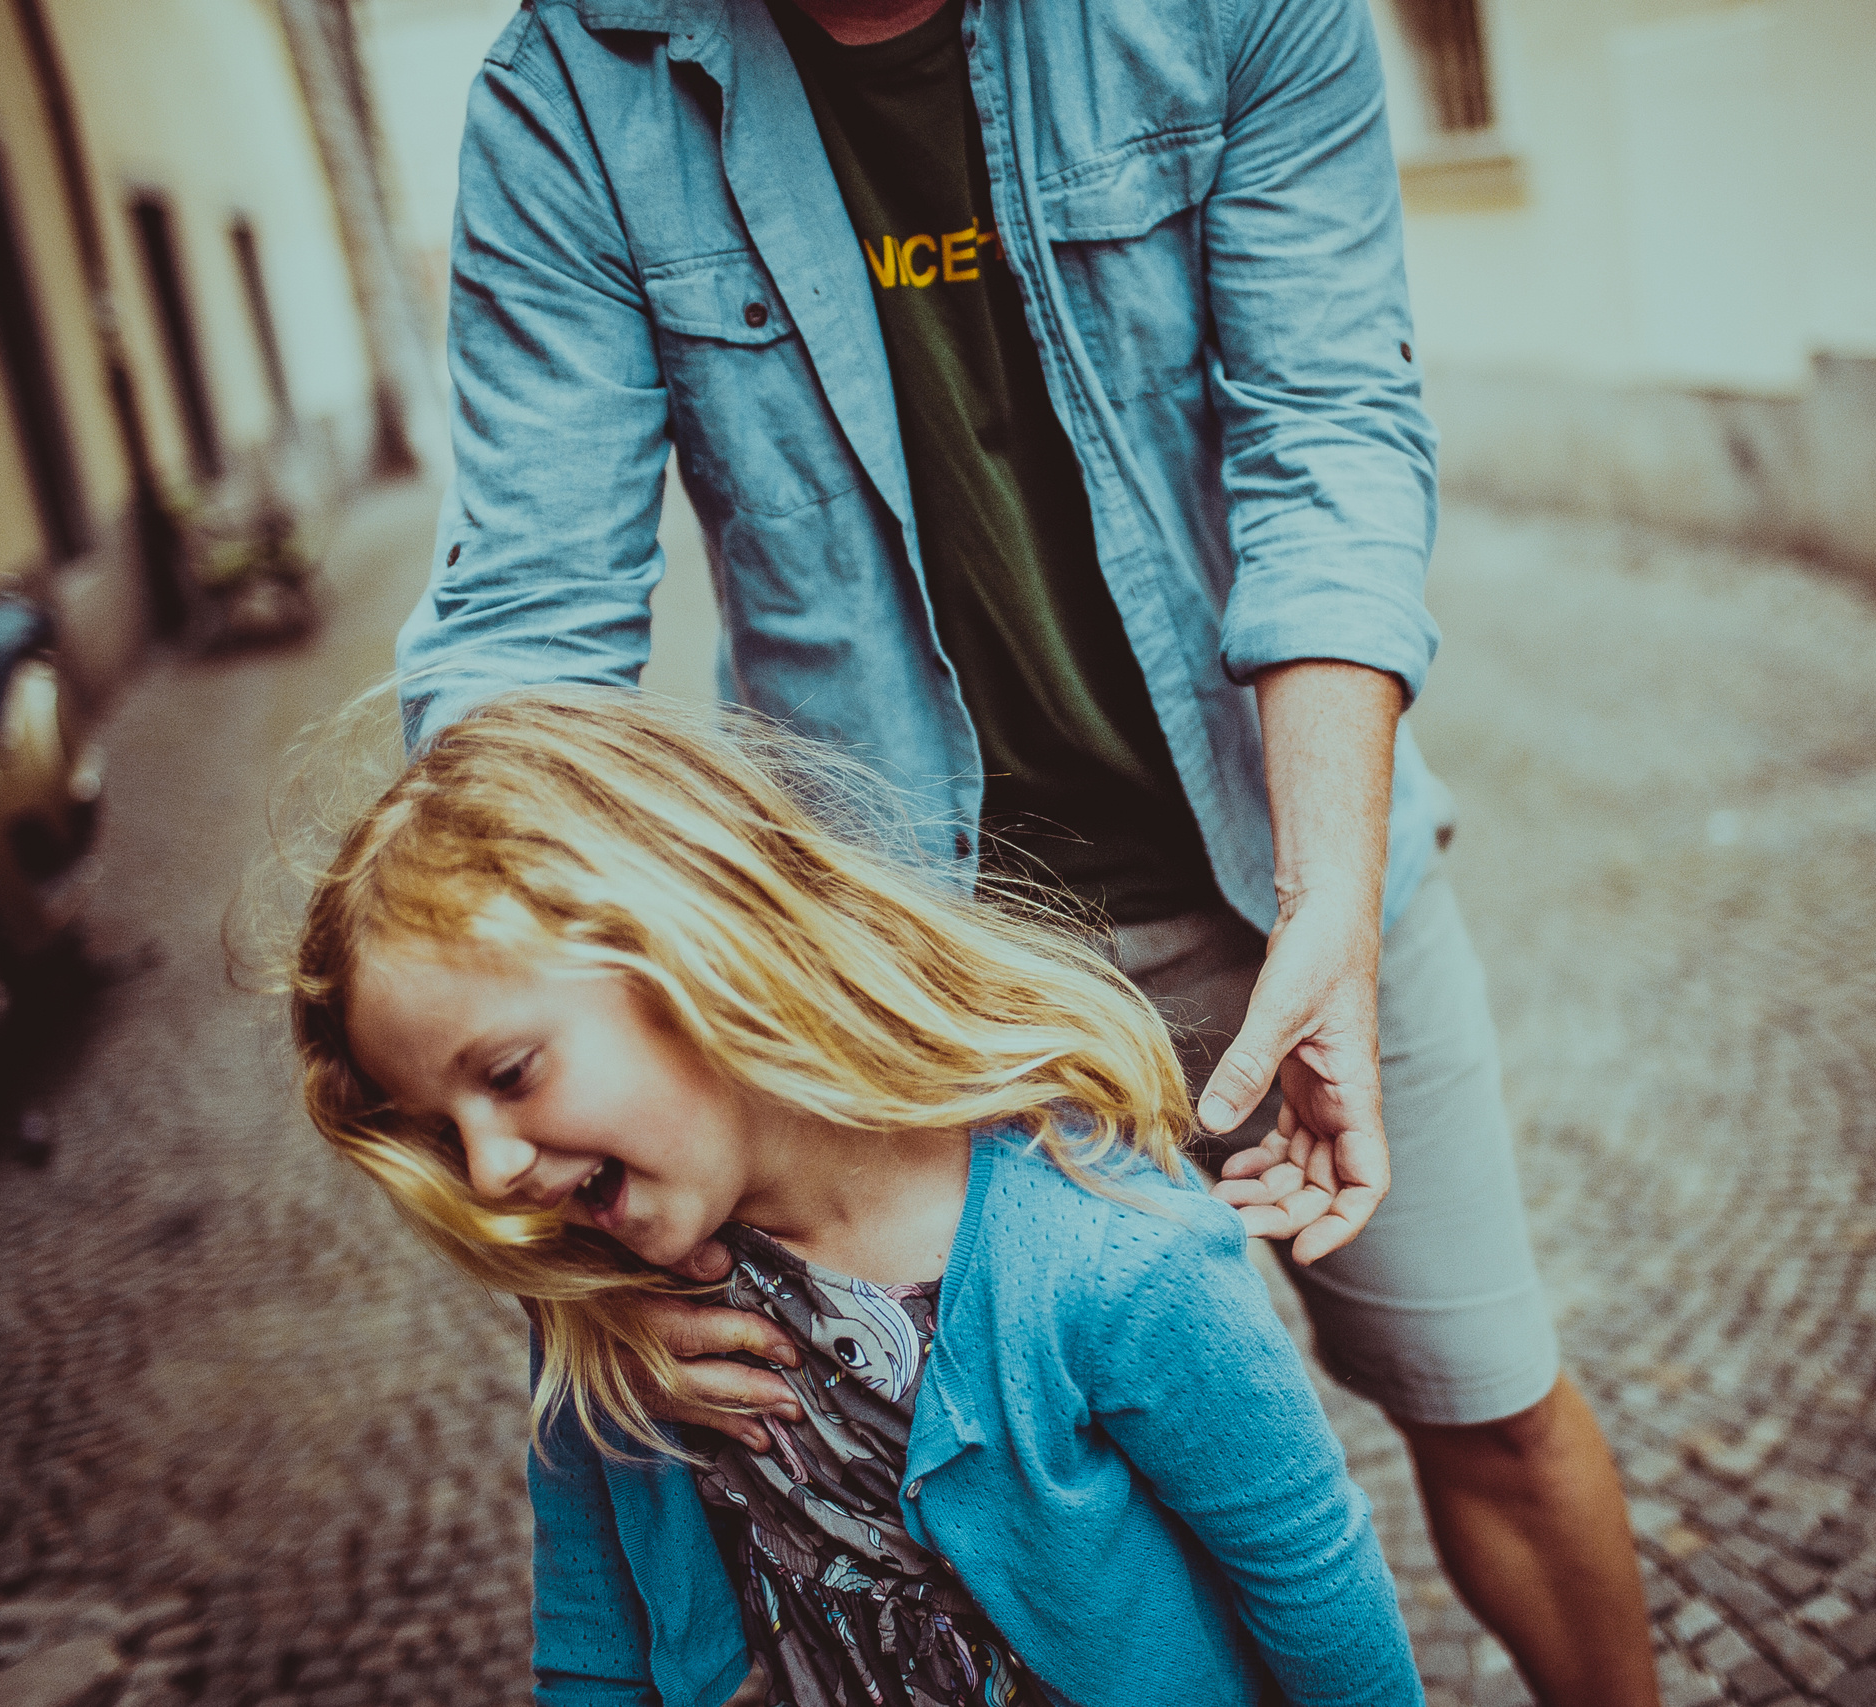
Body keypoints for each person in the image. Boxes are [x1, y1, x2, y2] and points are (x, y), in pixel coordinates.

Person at [400, 0, 1660, 1698]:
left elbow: (1329, 430)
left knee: (1491, 1404)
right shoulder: (574, 83)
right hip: (901, 983)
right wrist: (568, 1216)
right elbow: (528, 632)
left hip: (1284, 869)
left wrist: (1333, 901)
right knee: (1011, 1536)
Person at [291, 686, 1423, 1707]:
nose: (491, 1172)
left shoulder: (1108, 1247)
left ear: (691, 941)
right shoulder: (606, 1293)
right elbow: (592, 1632)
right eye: (445, 1133)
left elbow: (1305, 1570)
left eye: (506, 1076)